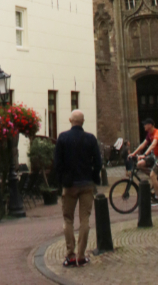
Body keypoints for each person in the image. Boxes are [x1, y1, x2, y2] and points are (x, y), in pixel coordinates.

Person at [53, 110, 102, 268]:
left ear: (70, 120)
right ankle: (81, 255)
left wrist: (61, 181)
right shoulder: (90, 138)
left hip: (69, 184)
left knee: (68, 219)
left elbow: (57, 163)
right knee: (85, 220)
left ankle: (70, 255)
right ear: (83, 121)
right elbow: (98, 162)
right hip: (87, 183)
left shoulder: (63, 138)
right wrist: (93, 176)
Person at [128, 117, 158, 202]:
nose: (143, 126)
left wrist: (144, 155)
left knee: (152, 175)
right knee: (139, 164)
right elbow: (143, 144)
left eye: (145, 124)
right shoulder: (149, 134)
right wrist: (133, 153)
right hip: (155, 155)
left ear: (150, 125)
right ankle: (155, 178)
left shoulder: (157, 133)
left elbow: (153, 144)